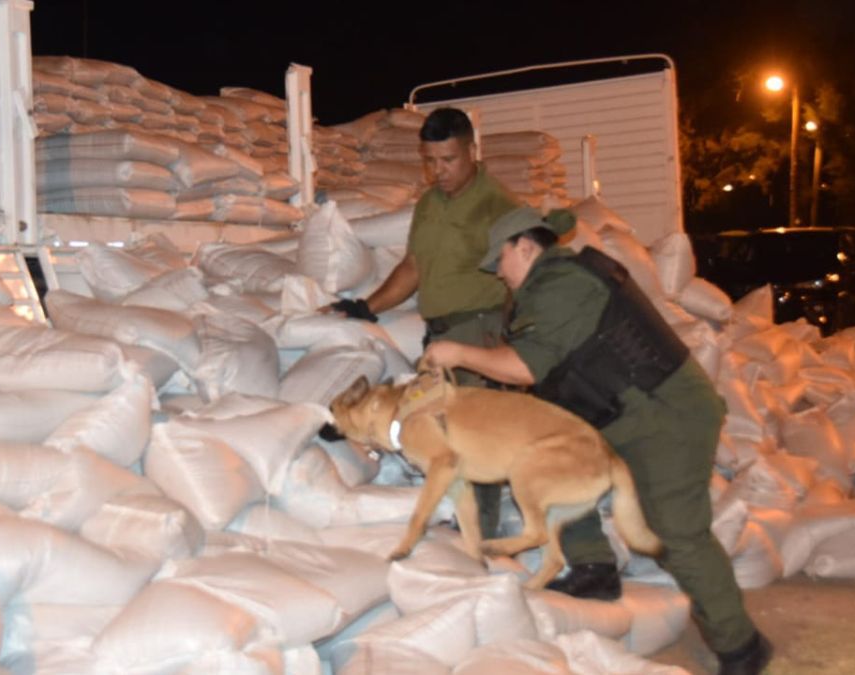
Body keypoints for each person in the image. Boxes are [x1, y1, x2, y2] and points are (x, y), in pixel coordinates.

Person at [423, 206, 772, 675]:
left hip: (666, 416)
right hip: (621, 416)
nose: (498, 274)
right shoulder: (544, 290)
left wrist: (456, 352)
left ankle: (742, 646)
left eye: (500, 261)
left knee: (676, 533)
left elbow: (527, 366)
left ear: (526, 247)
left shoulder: (561, 285)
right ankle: (594, 569)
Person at [330, 107, 519, 538]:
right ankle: (459, 516)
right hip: (440, 336)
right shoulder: (431, 204)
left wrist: (515, 337)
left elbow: (525, 275)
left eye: (448, 160)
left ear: (472, 150)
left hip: (481, 329)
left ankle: (482, 531)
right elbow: (414, 266)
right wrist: (367, 306)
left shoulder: (499, 207)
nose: (439, 172)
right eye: (430, 161)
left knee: (475, 432)